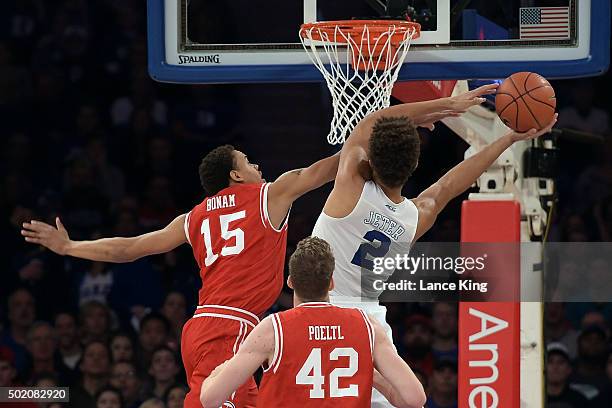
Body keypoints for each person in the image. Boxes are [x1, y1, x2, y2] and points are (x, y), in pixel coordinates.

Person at [21, 143, 342, 407]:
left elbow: (129, 248)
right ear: (235, 174)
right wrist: (360, 146)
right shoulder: (268, 195)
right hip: (227, 326)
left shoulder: (193, 218)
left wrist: (70, 247)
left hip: (211, 325)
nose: (257, 166)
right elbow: (317, 172)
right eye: (248, 162)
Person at [310, 83, 558, 407]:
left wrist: (445, 104)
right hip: (370, 324)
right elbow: (449, 185)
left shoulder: (350, 187)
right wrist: (509, 139)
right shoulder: (415, 217)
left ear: (369, 158)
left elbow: (369, 123)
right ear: (413, 166)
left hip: (320, 314)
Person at [200, 237, 425, 408]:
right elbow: (415, 399)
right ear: (331, 283)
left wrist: (216, 373)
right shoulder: (367, 326)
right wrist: (372, 377)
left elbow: (210, 399)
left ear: (290, 281)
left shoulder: (273, 329)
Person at [546, 343, 589, 407]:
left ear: (569, 369)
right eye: (550, 361)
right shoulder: (531, 399)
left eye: (561, 362)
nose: (555, 367)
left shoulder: (580, 400)